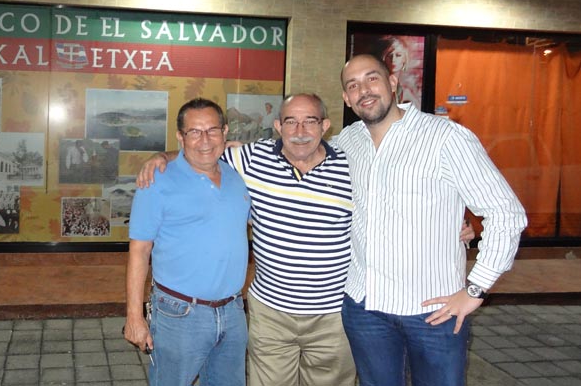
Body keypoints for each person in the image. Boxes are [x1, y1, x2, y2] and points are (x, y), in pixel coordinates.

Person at [137, 94, 476, 386]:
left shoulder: (351, 166)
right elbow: (200, 151)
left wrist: (452, 227)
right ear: (277, 127)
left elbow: (398, 205)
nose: (300, 132)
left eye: (310, 122)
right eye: (291, 122)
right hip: (270, 314)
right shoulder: (250, 159)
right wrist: (159, 157)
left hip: (332, 316)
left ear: (325, 125)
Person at [337, 54, 527, 386]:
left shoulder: (445, 137)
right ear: (346, 98)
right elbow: (302, 156)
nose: (363, 90)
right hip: (364, 308)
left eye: (372, 78)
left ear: (393, 83)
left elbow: (505, 212)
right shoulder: (346, 142)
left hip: (434, 312)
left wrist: (476, 288)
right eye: (353, 85)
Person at [124, 98, 251, 386]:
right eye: (194, 132)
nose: (204, 140)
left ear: (225, 132)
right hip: (179, 314)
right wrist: (134, 317)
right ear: (180, 137)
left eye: (212, 130)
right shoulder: (156, 181)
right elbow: (139, 252)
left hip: (233, 312)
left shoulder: (239, 175)